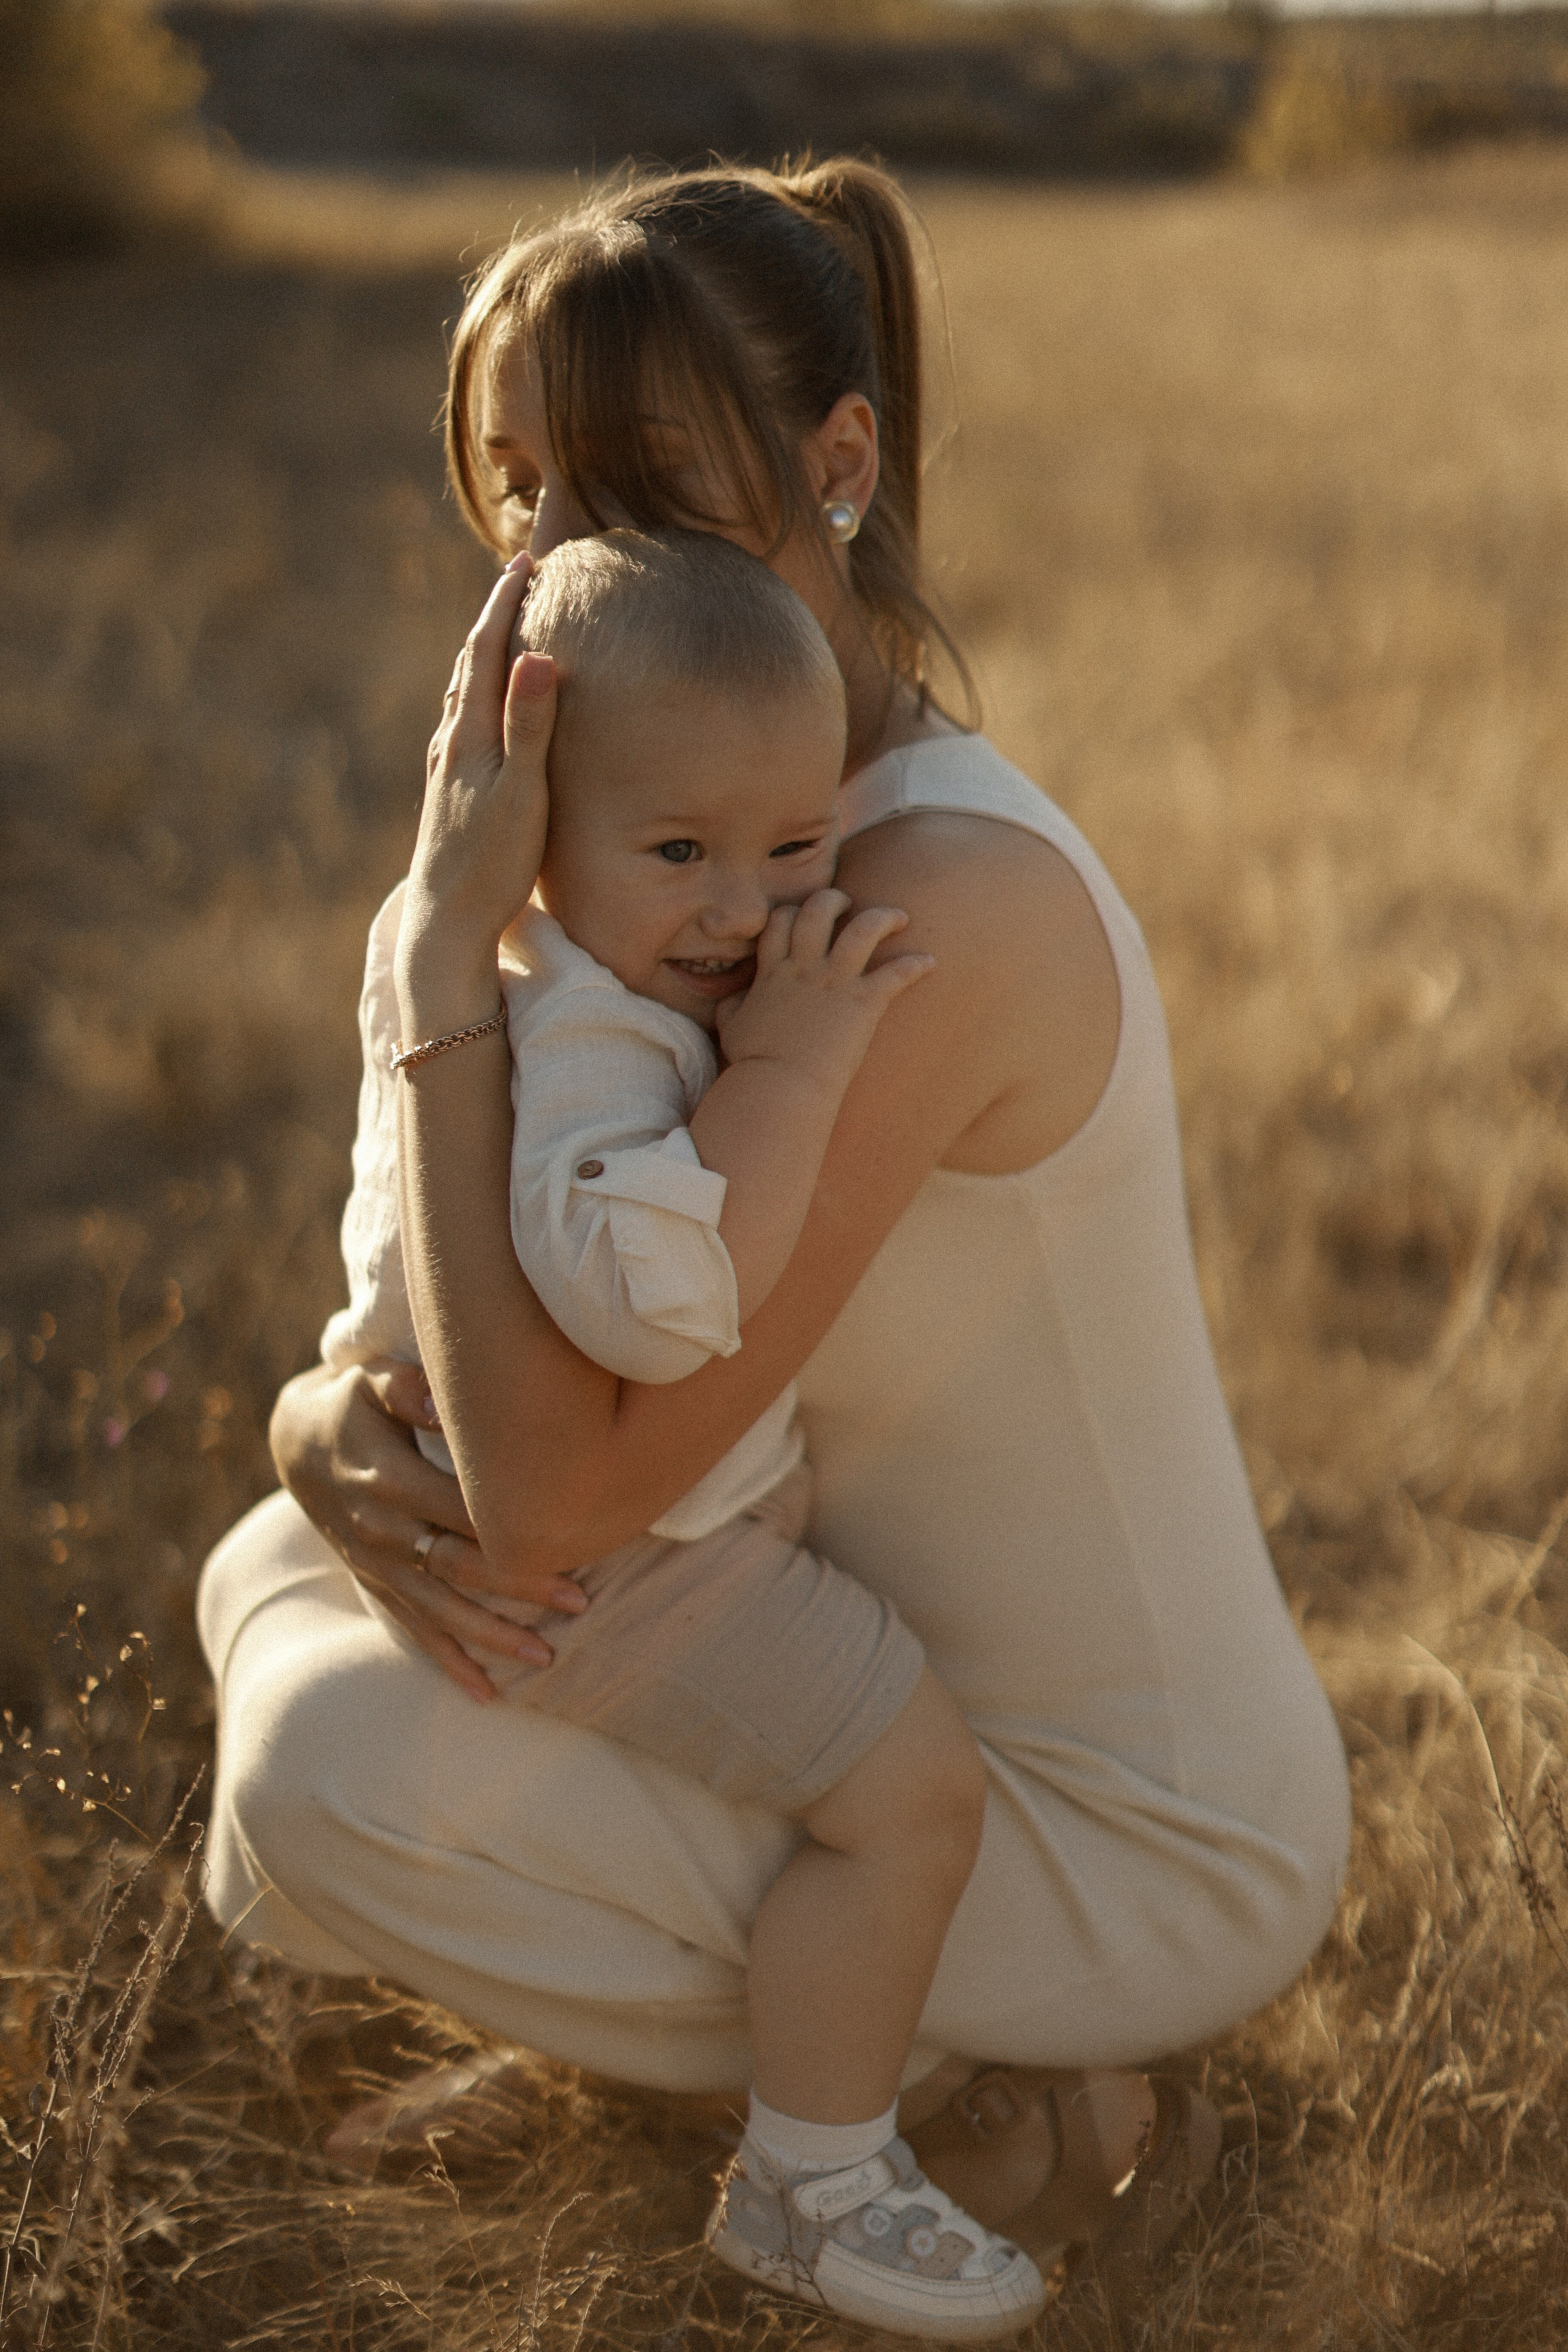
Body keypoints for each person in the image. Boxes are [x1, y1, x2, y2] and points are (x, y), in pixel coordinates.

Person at [197, 156, 1351, 2310]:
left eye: (632, 483)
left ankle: (984, 2078)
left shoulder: (895, 907)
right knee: (272, 1559)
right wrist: (310, 1423)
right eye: (520, 487)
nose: (560, 557)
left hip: (1117, 1829)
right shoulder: (695, 845)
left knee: (317, 1763)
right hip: (832, 1667)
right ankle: (737, 2013)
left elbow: (554, 1507)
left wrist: (441, 964)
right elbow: (525, 1290)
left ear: (842, 466)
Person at [326, 520, 1046, 2334]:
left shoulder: (534, 973)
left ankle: (624, 2041)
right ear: (534, 841)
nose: (742, 909)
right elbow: (646, 1308)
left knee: (740, 1787)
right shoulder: (591, 1054)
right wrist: (795, 1069)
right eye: (678, 854)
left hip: (605, 1531)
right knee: (910, 1799)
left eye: (793, 847)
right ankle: (816, 2177)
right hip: (608, 1569)